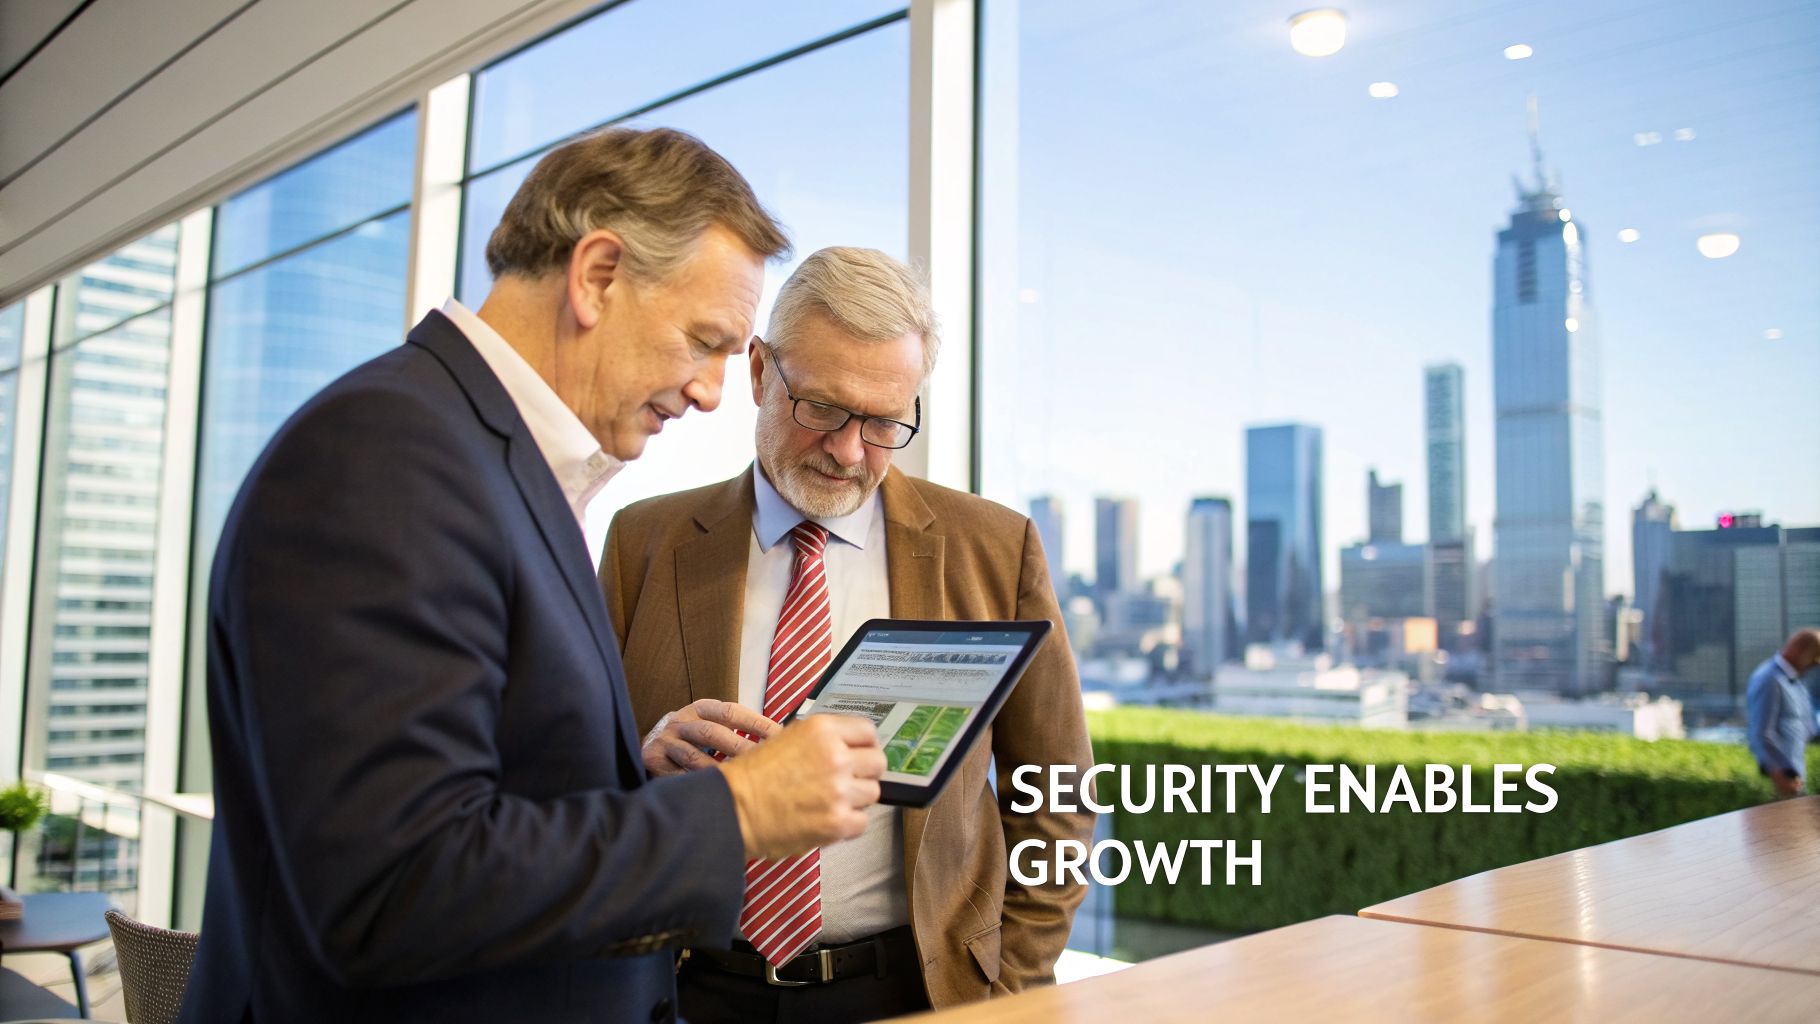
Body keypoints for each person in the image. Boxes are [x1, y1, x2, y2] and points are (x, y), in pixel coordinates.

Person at [181, 129, 888, 1024]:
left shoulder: (487, 464)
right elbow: (392, 887)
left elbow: (488, 790)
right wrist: (735, 810)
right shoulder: (384, 457)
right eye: (705, 341)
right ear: (596, 276)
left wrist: (636, 777)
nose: (713, 391)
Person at [601, 248, 1095, 1023]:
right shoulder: (643, 543)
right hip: (684, 989)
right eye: (823, 409)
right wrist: (638, 757)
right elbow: (563, 780)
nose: (848, 450)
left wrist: (1010, 988)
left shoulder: (995, 551)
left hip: (915, 993)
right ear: (760, 373)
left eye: (882, 422)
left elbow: (1057, 794)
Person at [1745, 628, 1820, 797]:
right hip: (1781, 783)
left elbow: (1807, 724)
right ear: (1798, 650)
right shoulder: (1769, 679)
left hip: (1794, 777)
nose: (1812, 669)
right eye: (1813, 662)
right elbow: (1761, 733)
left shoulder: (1795, 681)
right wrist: (1781, 776)